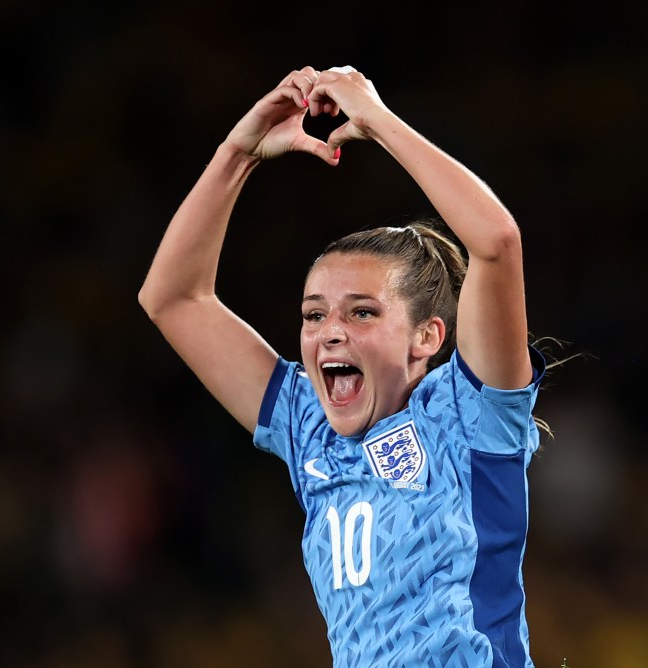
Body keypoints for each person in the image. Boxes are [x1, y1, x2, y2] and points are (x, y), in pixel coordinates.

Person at [139, 65, 547, 668]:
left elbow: (497, 241)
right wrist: (238, 154)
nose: (330, 331)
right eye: (312, 315)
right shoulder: (309, 426)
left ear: (427, 336)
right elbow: (171, 299)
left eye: (360, 313)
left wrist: (378, 122)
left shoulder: (470, 417)